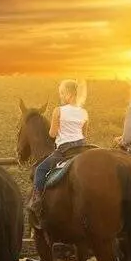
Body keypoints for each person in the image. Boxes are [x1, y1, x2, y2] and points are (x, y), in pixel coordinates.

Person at [28, 79, 88, 226]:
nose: (60, 96)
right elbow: (84, 134)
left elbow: (53, 134)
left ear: (68, 94)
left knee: (40, 170)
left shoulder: (58, 111)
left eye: (62, 93)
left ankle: (37, 202)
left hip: (64, 150)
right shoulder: (84, 112)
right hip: (81, 149)